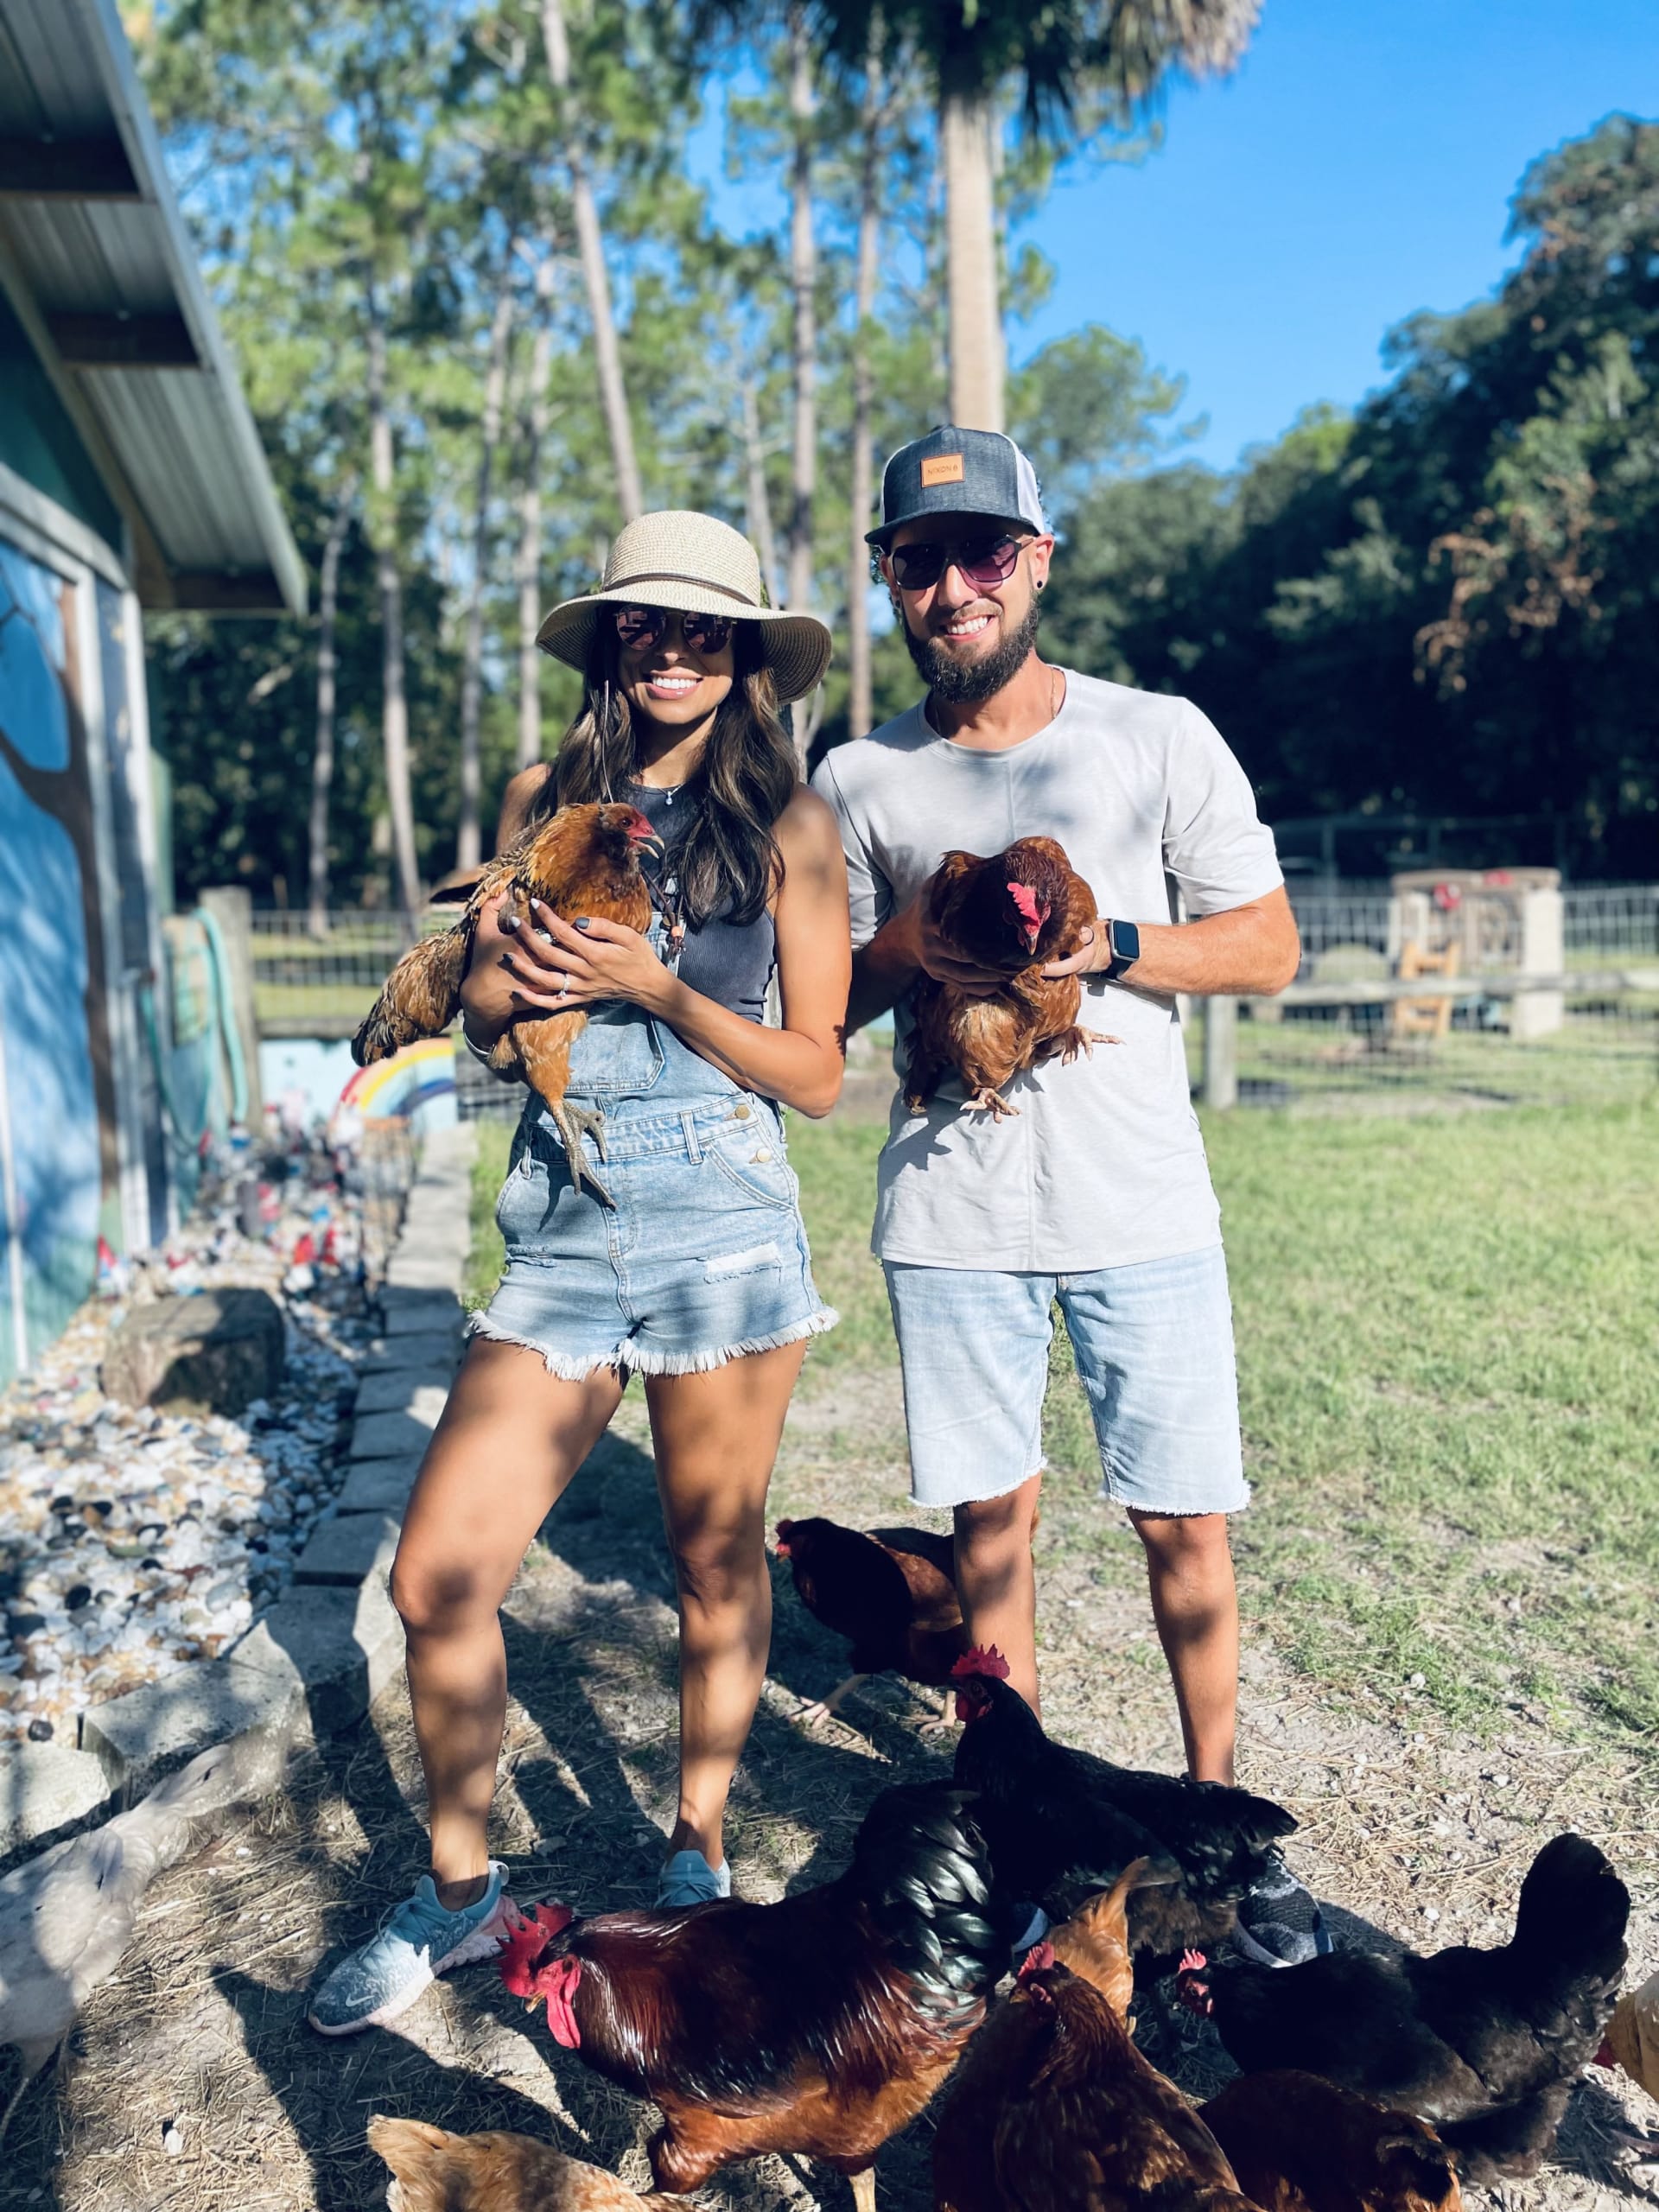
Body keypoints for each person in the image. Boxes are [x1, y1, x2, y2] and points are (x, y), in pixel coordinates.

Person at [309, 511, 850, 2036]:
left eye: (702, 625)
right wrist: (496, 968)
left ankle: (696, 1860)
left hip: (721, 1208)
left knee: (710, 1560)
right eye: (643, 621)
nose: (671, 646)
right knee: (437, 1578)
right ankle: (462, 1895)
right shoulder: (543, 796)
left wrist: (657, 985)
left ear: (745, 651)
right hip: (560, 1212)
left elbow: (815, 1073)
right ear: (611, 640)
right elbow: (485, 1017)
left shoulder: (790, 826)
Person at [810, 428, 1328, 1967]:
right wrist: (904, 942)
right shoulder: (859, 775)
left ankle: (1221, 1832)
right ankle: (1022, 1840)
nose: (953, 583)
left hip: (1140, 1204)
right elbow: (820, 1011)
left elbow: (1270, 946)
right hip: (953, 1215)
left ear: (1038, 560)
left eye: (983, 552)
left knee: (1185, 1526)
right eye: (921, 559)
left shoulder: (1154, 736)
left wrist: (1107, 956)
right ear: (891, 584)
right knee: (994, 1537)